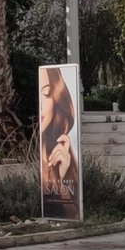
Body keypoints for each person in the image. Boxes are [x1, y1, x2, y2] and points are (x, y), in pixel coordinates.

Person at [39, 66, 80, 218]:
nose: (41, 106)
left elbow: (72, 216)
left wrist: (61, 179)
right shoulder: (32, 154)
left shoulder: (62, 153)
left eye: (46, 94)